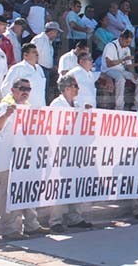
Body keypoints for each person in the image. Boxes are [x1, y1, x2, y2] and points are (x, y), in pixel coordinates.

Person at [0, 78, 50, 240]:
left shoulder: (29, 109)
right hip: (8, 160)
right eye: (22, 88)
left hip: (27, 160)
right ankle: (9, 229)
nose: (25, 92)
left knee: (28, 192)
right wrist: (6, 114)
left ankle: (31, 225)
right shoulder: (3, 106)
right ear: (13, 90)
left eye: (28, 89)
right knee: (8, 196)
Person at [48, 76, 94, 233]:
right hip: (62, 149)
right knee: (61, 185)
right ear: (66, 88)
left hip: (77, 149)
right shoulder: (57, 104)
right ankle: (55, 220)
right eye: (74, 86)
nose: (77, 89)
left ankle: (76, 217)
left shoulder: (78, 104)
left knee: (77, 183)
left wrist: (86, 113)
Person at [103, 30, 138, 111]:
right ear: (121, 38)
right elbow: (109, 64)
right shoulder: (110, 46)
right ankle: (119, 107)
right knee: (121, 79)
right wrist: (123, 59)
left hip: (121, 70)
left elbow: (128, 65)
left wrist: (133, 73)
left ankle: (137, 106)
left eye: (129, 42)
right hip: (109, 70)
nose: (128, 44)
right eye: (127, 42)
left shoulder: (127, 49)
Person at [2, 43, 47, 108]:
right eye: (34, 52)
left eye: (37, 52)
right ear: (25, 55)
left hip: (40, 108)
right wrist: (13, 105)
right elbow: (5, 88)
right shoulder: (17, 68)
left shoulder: (40, 69)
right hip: (24, 109)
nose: (37, 54)